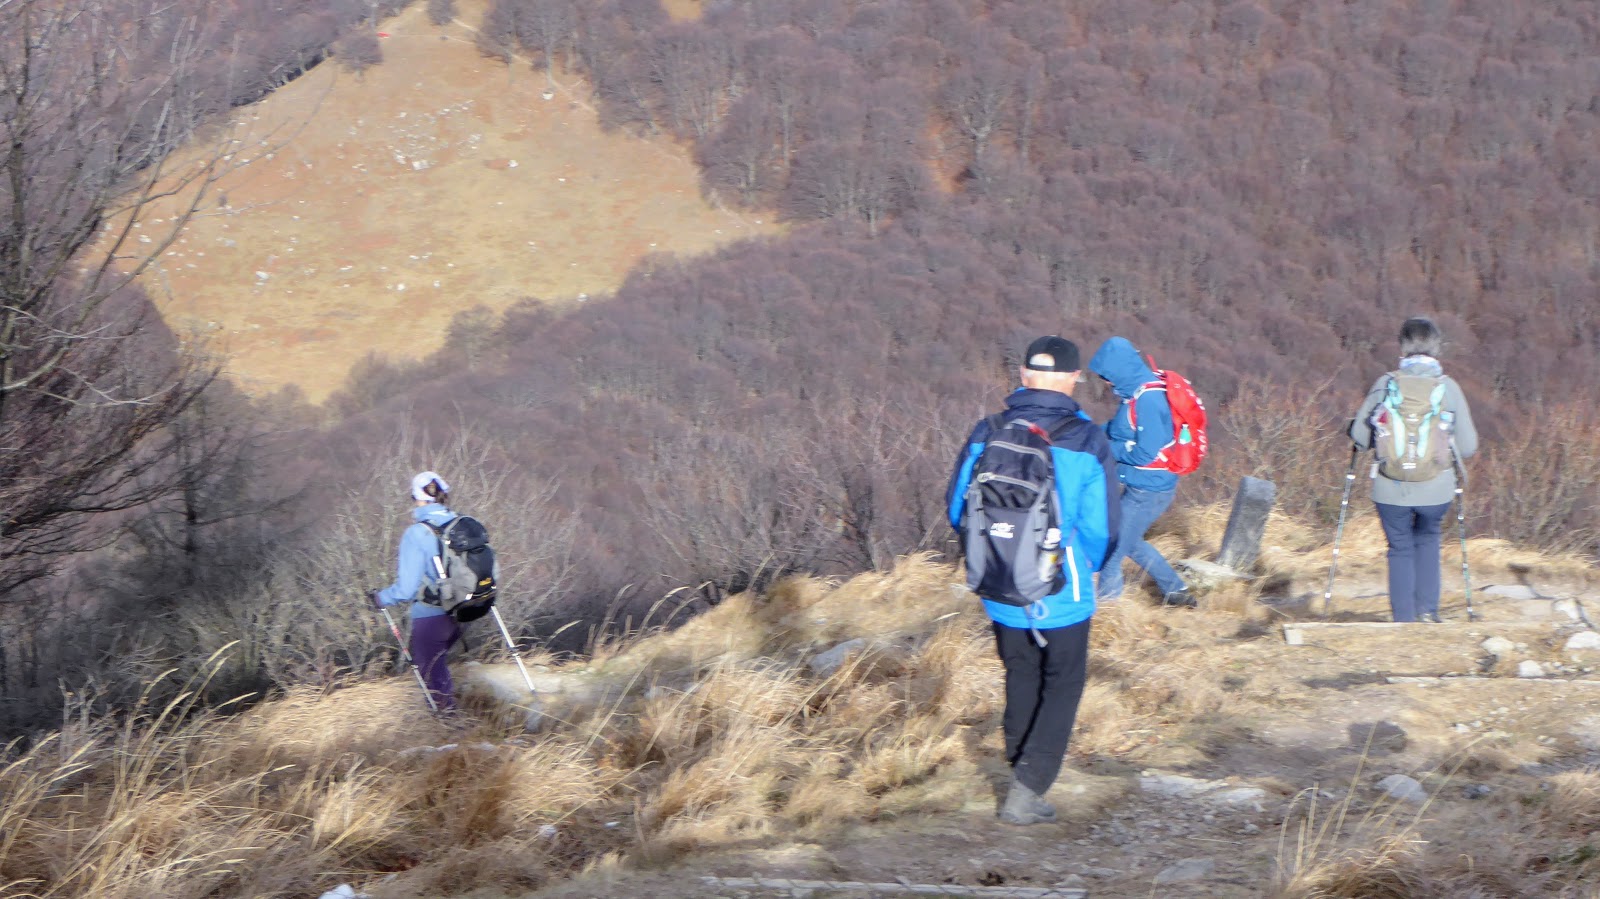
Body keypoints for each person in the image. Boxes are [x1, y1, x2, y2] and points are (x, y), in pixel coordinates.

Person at [947, 336, 1119, 826]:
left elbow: (958, 510)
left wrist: (997, 552)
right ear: (1073, 379)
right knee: (1063, 681)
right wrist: (1085, 567)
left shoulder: (988, 430)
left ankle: (1018, 766)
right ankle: (1028, 788)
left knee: (1019, 671)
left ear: (1023, 376)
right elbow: (1102, 528)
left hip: (997, 579)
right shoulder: (1086, 439)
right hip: (1061, 585)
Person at [1348, 317, 1478, 623]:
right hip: (1436, 488)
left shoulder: (1386, 384)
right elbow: (1468, 446)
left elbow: (1359, 437)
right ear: (1437, 347)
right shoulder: (1448, 388)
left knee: (1399, 548)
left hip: (1390, 488)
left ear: (1402, 346)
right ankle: (1427, 612)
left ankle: (1403, 619)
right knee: (1428, 540)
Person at [1088, 337, 1196, 608]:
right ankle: (1176, 591)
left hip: (1149, 491)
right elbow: (1121, 428)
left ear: (1119, 370)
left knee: (1112, 552)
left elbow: (1144, 453)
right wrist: (1089, 434)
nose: (1106, 383)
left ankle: (1109, 616)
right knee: (1129, 541)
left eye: (1108, 376)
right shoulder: (1137, 391)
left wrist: (1105, 448)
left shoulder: (1148, 400)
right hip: (1145, 486)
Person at [369, 471, 463, 714]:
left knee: (431, 674)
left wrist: (381, 598)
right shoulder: (461, 524)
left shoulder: (417, 533)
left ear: (417, 498)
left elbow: (406, 589)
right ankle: (454, 719)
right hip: (465, 610)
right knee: (438, 667)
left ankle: (449, 726)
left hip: (432, 614)